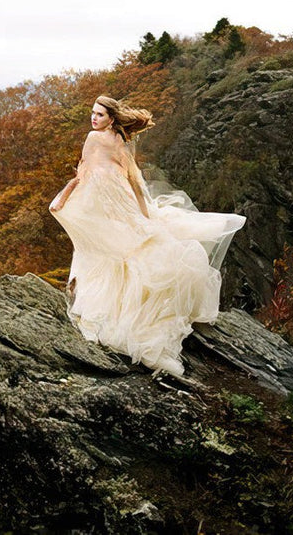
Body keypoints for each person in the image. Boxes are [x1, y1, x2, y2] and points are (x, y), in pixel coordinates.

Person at [50, 95, 246, 377]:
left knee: (114, 253)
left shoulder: (98, 139)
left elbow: (95, 176)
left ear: (112, 119)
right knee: (116, 252)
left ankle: (122, 317)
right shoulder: (118, 141)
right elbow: (124, 179)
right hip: (115, 204)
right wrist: (143, 212)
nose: (94, 119)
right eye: (92, 114)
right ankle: (126, 310)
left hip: (113, 205)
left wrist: (143, 212)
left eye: (100, 115)